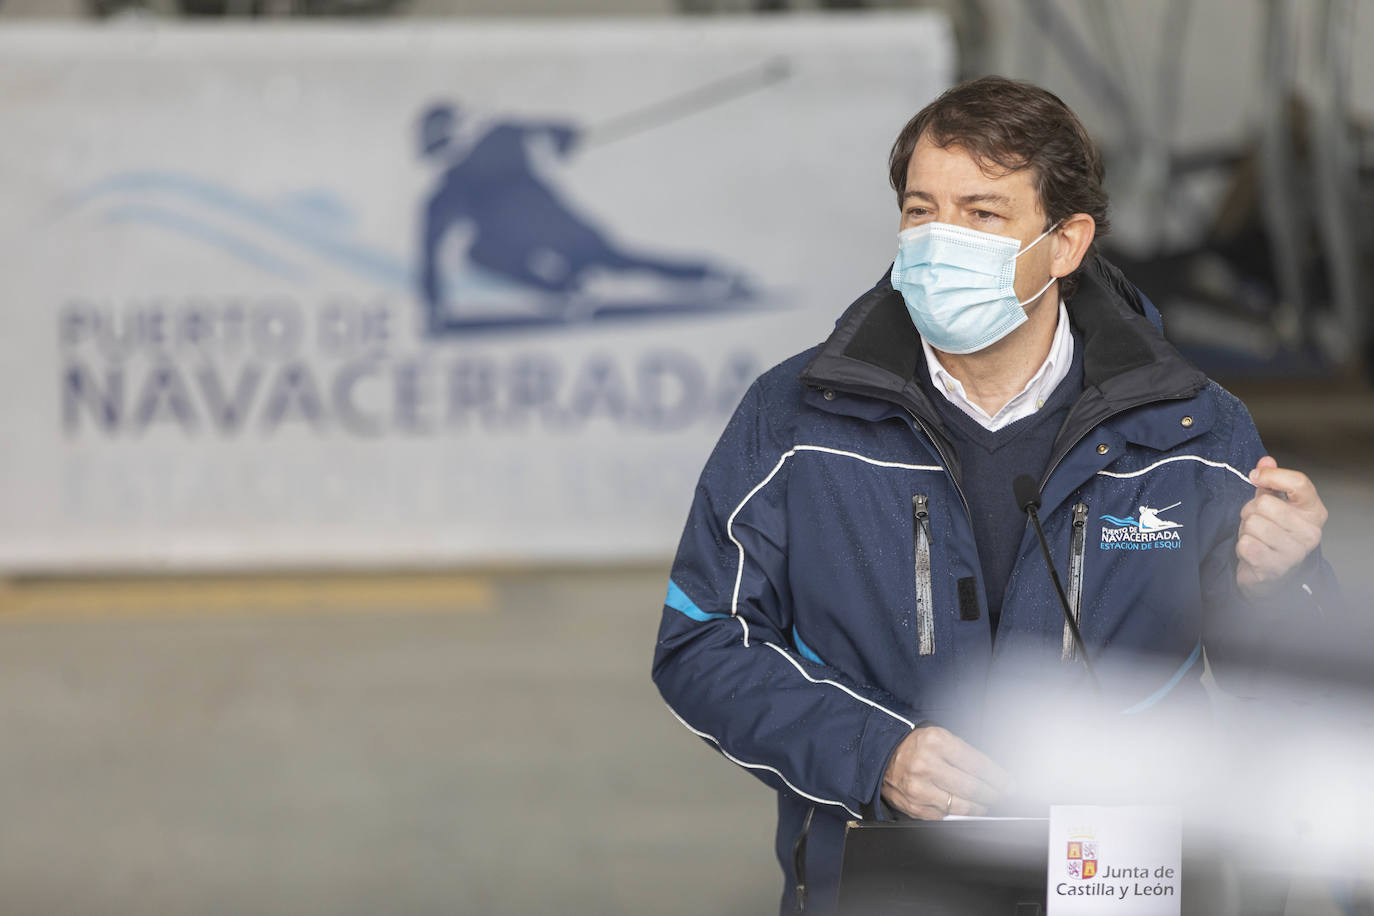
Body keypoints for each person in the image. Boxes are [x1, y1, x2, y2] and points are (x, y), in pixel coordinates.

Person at [651, 76, 1336, 914]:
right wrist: (877, 755)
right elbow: (701, 642)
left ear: (1066, 243)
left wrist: (1285, 583)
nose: (942, 240)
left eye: (982, 214)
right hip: (883, 878)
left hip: (1115, 881)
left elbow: (1302, 702)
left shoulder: (1193, 431)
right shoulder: (794, 419)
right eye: (920, 211)